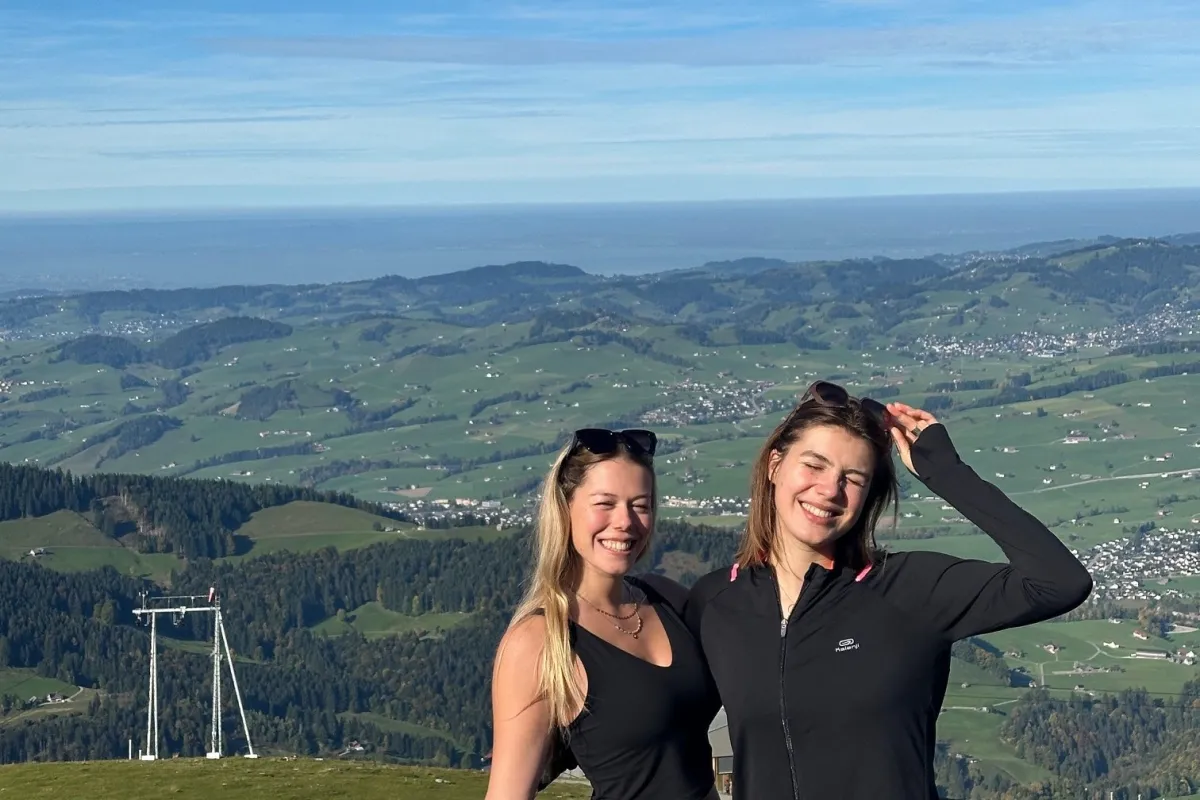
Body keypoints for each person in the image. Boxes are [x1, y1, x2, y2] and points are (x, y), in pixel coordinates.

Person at [685, 381, 1093, 800]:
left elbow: (1059, 581)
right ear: (774, 465)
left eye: (853, 478)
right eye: (814, 465)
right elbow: (665, 736)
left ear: (868, 497)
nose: (829, 490)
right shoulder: (716, 602)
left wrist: (947, 473)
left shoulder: (909, 590)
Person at [486, 427, 720, 800]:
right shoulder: (539, 642)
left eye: (639, 505)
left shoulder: (667, 598)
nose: (625, 522)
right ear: (566, 508)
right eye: (605, 503)